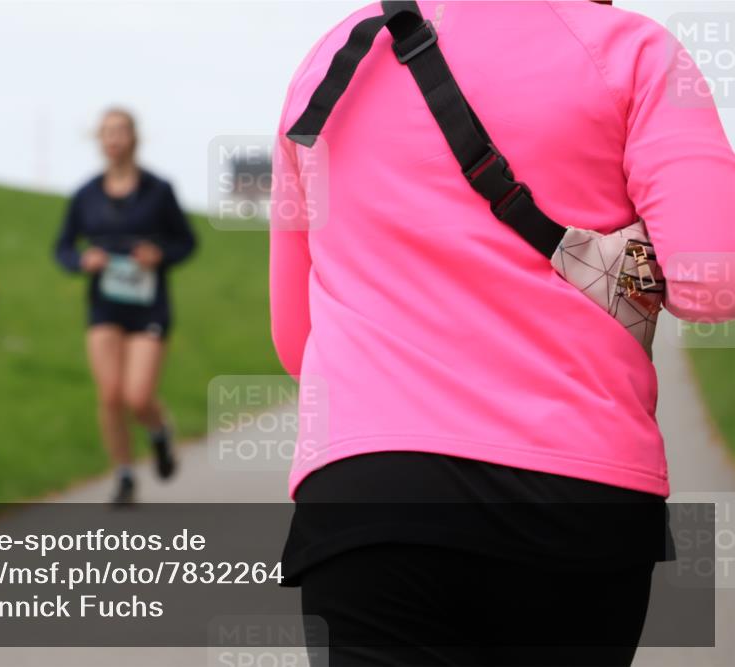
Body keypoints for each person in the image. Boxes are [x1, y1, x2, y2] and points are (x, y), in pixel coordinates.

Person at [270, 1, 735, 665]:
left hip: (368, 495)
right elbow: (712, 284)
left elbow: (296, 339)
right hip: (576, 498)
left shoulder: (331, 62)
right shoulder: (634, 51)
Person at [55, 108, 196, 505]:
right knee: (110, 395)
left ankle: (159, 432)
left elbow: (187, 242)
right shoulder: (86, 195)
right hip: (105, 305)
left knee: (138, 396)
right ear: (99, 140)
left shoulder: (159, 191)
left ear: (134, 137)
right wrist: (82, 260)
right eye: (107, 132)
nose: (114, 138)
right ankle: (124, 474)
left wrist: (159, 255)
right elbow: (63, 247)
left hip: (148, 306)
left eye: (120, 131)